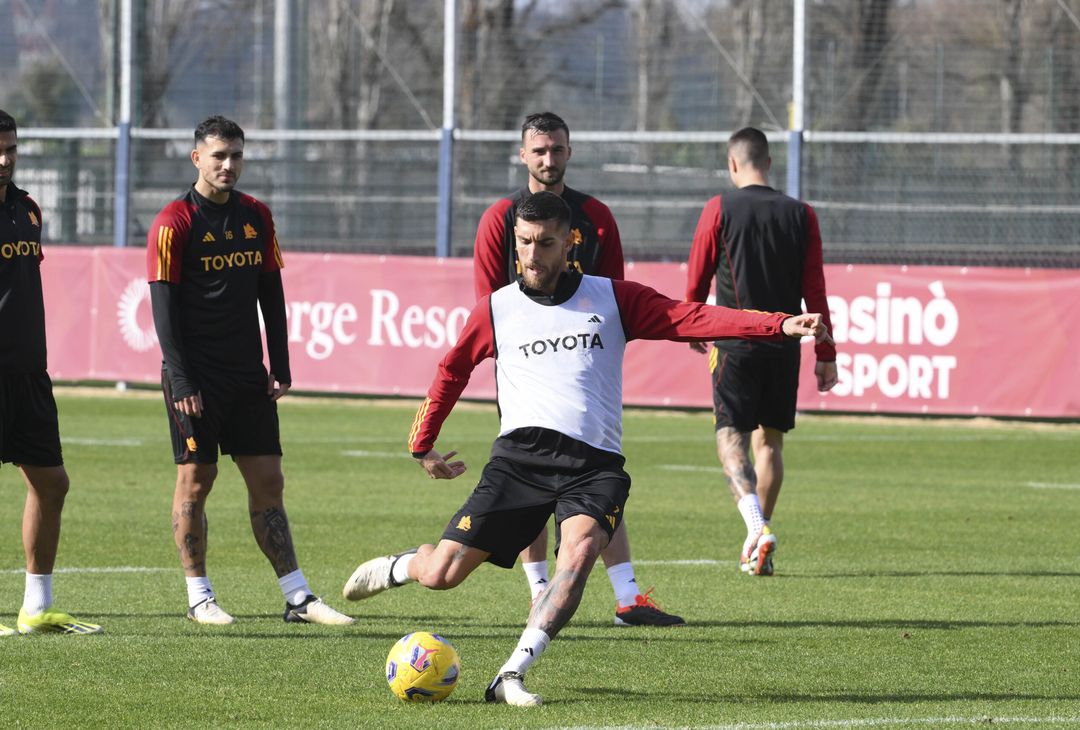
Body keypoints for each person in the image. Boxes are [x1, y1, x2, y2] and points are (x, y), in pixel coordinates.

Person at [344, 191, 829, 705]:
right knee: (441, 574)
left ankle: (511, 675)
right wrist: (423, 445)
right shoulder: (497, 309)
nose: (532, 255)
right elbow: (452, 369)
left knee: (577, 556)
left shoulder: (612, 298)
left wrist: (777, 324)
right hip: (519, 461)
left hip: (594, 467)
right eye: (524, 243)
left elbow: (690, 317)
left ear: (569, 241)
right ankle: (401, 567)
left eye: (545, 243)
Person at [473, 111, 681, 628]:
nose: (548, 159)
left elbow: (617, 300)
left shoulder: (598, 217)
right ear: (522, 155)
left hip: (585, 366)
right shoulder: (500, 218)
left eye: (557, 149)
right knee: (530, 476)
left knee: (600, 472)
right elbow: (487, 302)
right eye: (539, 150)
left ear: (570, 152)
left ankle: (629, 598)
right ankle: (539, 589)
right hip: (527, 372)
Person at [146, 115, 352, 626]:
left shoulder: (257, 215)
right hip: (195, 378)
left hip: (247, 376)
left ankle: (298, 597)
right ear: (197, 158)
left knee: (268, 481)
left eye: (236, 155)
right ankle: (200, 597)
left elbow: (271, 294)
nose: (228, 165)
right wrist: (183, 379)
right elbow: (163, 311)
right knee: (197, 480)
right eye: (218, 156)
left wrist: (278, 362)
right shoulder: (173, 222)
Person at [684, 127, 838, 577]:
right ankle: (759, 540)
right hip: (786, 343)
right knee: (770, 442)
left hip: (735, 343)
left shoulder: (719, 207)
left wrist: (691, 324)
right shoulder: (801, 213)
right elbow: (815, 287)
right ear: (769, 164)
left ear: (733, 164)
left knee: (729, 438)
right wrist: (826, 351)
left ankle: (755, 527)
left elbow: (698, 275)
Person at [0, 110, 102, 635]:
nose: (4, 159)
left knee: (52, 484)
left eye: (11, 148)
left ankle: (35, 607)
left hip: (28, 375)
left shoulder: (29, 210)